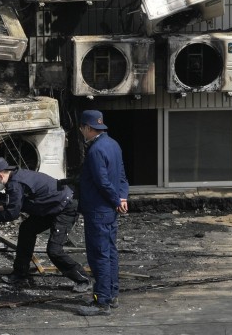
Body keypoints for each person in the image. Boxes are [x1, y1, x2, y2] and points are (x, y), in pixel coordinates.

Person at [0, 157, 91, 292]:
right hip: (50, 207)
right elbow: (18, 203)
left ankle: (82, 278)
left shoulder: (15, 184)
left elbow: (12, 214)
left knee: (54, 250)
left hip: (65, 207)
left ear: (0, 176)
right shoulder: (16, 176)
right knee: (27, 229)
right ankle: (20, 274)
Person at [75, 109, 129, 317]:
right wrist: (122, 198)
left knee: (99, 256)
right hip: (110, 210)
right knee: (110, 253)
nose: (81, 132)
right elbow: (122, 175)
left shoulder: (95, 150)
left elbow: (102, 182)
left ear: (88, 128)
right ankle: (112, 295)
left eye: (81, 128)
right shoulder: (113, 144)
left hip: (98, 209)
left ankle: (101, 301)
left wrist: (115, 199)